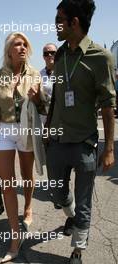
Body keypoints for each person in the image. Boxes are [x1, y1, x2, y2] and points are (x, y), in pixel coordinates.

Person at [46, 1, 116, 263]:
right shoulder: (61, 56)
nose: (55, 25)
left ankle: (77, 250)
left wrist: (109, 148)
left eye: (59, 20)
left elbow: (109, 106)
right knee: (57, 193)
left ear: (74, 22)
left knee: (85, 201)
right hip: (57, 141)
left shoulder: (101, 58)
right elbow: (58, 97)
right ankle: (70, 215)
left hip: (84, 143)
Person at [0, 32, 45, 263]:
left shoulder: (35, 74)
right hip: (4, 131)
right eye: (17, 44)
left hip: (27, 129)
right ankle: (15, 235)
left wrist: (38, 97)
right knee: (8, 185)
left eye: (24, 45)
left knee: (27, 176)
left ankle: (28, 207)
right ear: (9, 50)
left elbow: (42, 107)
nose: (22, 48)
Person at [40, 43, 57, 124]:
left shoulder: (65, 72)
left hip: (62, 117)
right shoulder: (38, 75)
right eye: (46, 53)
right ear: (43, 57)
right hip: (45, 119)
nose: (49, 55)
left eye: (53, 53)